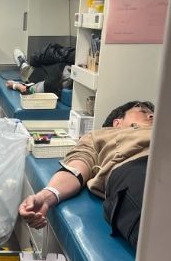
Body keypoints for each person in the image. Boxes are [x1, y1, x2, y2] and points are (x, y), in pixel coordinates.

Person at [19, 100, 154, 250]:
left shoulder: (167, 130)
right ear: (117, 123)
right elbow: (76, 168)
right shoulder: (100, 136)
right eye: (143, 111)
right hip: (139, 167)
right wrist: (45, 197)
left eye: (153, 113)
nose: (151, 115)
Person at [7, 44, 75, 96]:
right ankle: (23, 63)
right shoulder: (66, 77)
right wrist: (15, 86)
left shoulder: (70, 68)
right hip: (38, 71)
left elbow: (31, 90)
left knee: (28, 71)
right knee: (27, 71)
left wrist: (15, 85)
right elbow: (31, 90)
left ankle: (23, 63)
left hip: (43, 68)